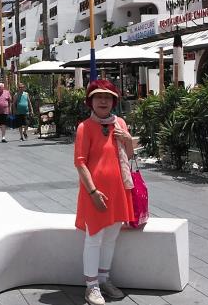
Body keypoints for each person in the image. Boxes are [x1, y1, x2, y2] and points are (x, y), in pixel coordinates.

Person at [74, 79, 134, 305]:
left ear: (114, 101)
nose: (103, 101)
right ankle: (91, 286)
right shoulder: (84, 127)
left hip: (119, 190)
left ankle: (104, 278)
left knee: (111, 237)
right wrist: (93, 191)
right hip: (95, 193)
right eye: (98, 96)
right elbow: (80, 163)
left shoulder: (120, 123)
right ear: (91, 101)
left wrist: (128, 140)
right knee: (94, 237)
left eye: (107, 97)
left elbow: (128, 156)